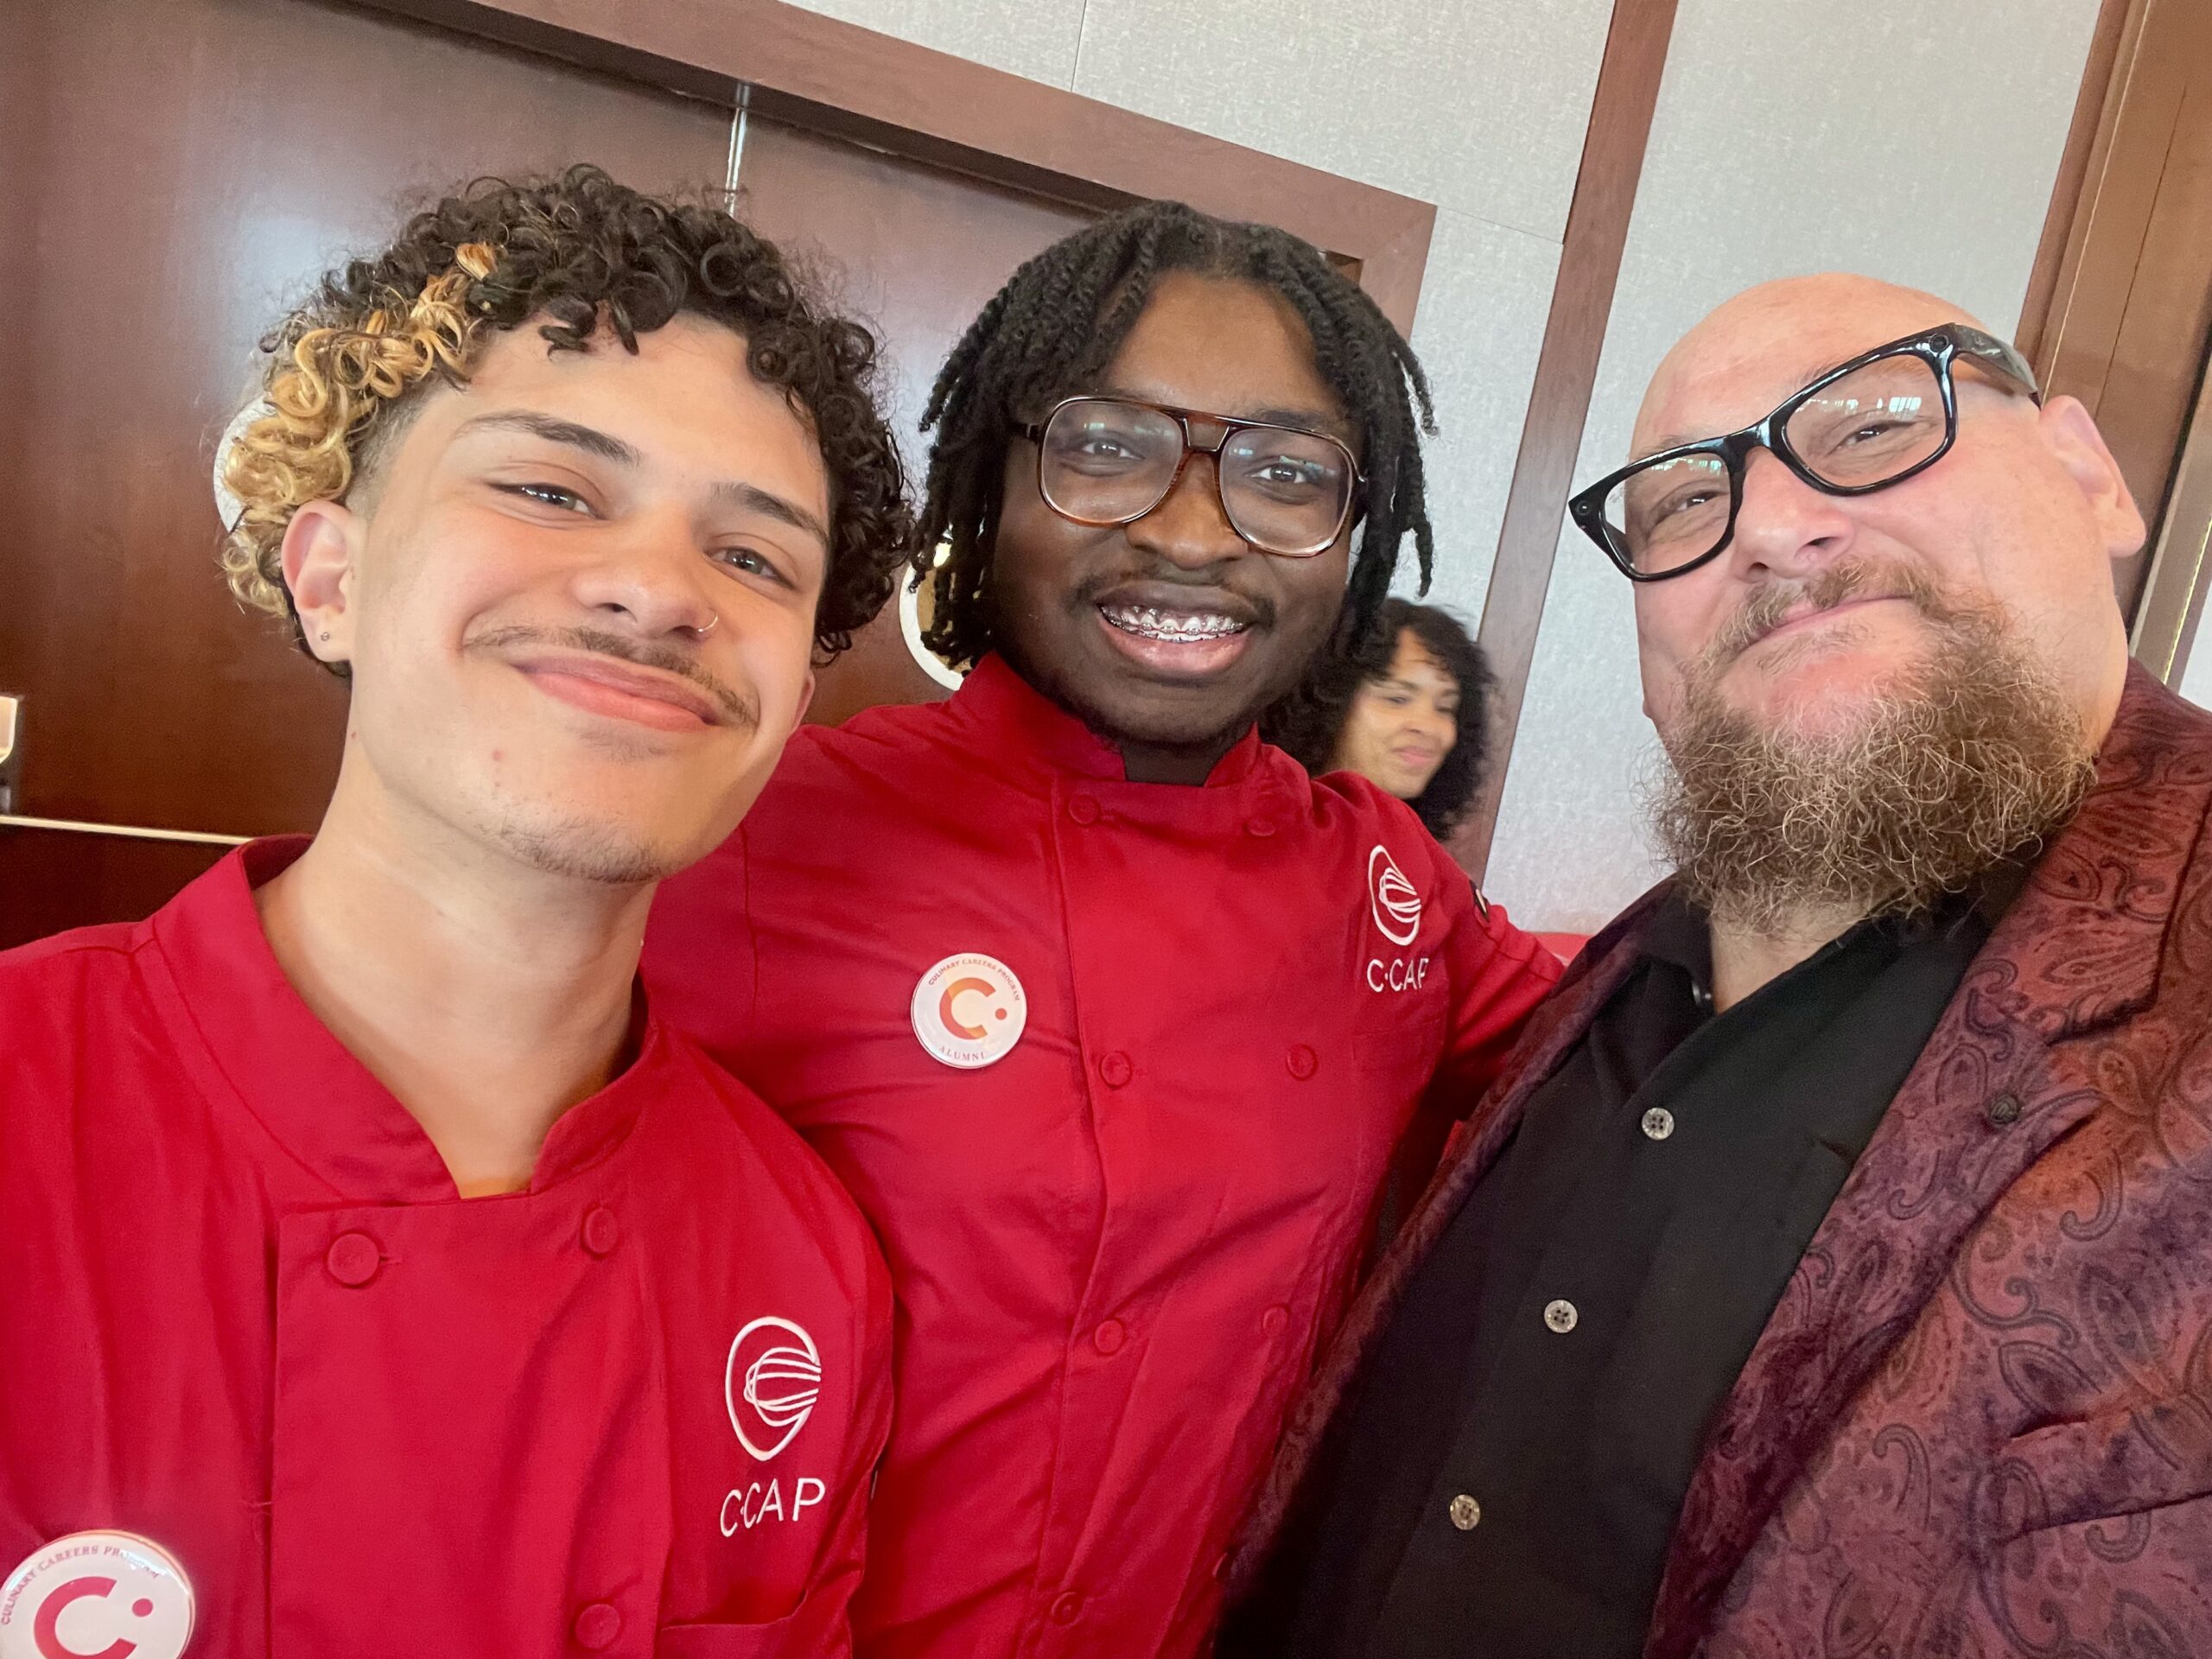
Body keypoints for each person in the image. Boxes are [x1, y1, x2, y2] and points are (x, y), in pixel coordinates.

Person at [1219, 274, 2212, 1658]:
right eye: (1686, 502)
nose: (1773, 526)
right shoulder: (1612, 979)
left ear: (2090, 473)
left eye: (1873, 425)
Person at [0, 168, 910, 1657]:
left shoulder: (803, 1267)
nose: (655, 589)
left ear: (793, 699)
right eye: (550, 489)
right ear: (330, 578)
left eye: (752, 557)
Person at [643, 200, 1561, 1659]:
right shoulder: (759, 828)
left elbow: (1650, 1061)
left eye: (1286, 472)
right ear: (992, 485)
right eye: (1107, 446)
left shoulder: (1380, 890)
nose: (1191, 533)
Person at [1268, 597, 1494, 839]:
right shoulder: (1262, 838)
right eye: (1397, 699)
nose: (1428, 727)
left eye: (1445, 708)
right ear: (1326, 701)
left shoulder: (1419, 857)